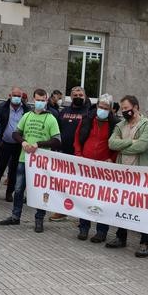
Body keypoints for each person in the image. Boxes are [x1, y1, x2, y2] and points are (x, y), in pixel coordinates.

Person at [0, 89, 61, 233]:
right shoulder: (27, 116)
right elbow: (15, 133)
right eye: (37, 99)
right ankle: (15, 216)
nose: (40, 102)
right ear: (33, 99)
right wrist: (23, 142)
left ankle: (39, 219)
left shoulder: (51, 118)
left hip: (42, 161)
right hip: (24, 159)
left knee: (40, 191)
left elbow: (57, 141)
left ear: (46, 100)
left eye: (43, 99)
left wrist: (39, 144)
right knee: (19, 189)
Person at [106, 95, 148, 257]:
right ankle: (121, 237)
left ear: (136, 107)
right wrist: (130, 143)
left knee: (143, 208)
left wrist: (122, 145)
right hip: (123, 174)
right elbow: (111, 144)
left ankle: (145, 242)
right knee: (123, 205)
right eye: (123, 109)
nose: (125, 111)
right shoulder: (121, 125)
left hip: (141, 174)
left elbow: (142, 146)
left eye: (127, 108)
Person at [74, 93, 119, 243]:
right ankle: (84, 228)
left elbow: (116, 147)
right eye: (101, 106)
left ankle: (101, 231)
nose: (102, 110)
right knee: (85, 197)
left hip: (104, 168)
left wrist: (111, 159)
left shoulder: (114, 124)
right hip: (86, 166)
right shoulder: (87, 119)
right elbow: (77, 138)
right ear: (97, 105)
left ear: (111, 109)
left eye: (106, 108)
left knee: (102, 199)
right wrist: (79, 155)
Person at [53, 86, 88, 220]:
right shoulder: (64, 111)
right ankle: (62, 209)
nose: (78, 97)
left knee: (78, 185)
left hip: (79, 154)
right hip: (64, 153)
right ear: (71, 97)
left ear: (84, 96)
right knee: (63, 184)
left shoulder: (88, 112)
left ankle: (81, 213)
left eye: (80, 94)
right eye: (75, 95)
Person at [0, 87, 29, 202]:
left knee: (14, 171)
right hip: (4, 143)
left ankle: (9, 193)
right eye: (14, 95)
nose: (16, 98)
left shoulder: (26, 109)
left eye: (19, 96)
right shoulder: (2, 107)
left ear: (22, 97)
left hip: (18, 145)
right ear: (10, 96)